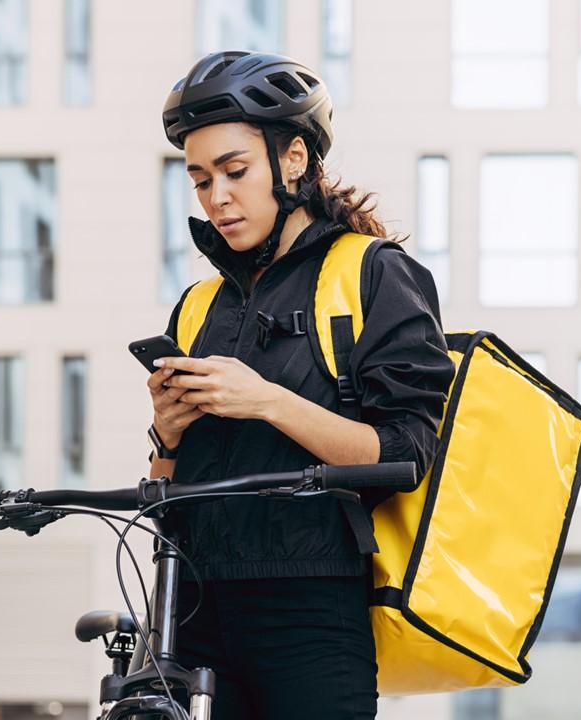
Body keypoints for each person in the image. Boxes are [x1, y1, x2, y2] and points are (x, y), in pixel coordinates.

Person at [145, 50, 456, 719]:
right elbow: (166, 492)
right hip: (194, 608)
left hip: (310, 612)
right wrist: (167, 436)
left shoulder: (371, 274)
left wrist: (266, 401)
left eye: (234, 171)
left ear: (292, 161)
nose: (217, 197)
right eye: (199, 180)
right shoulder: (200, 304)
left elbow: (406, 455)